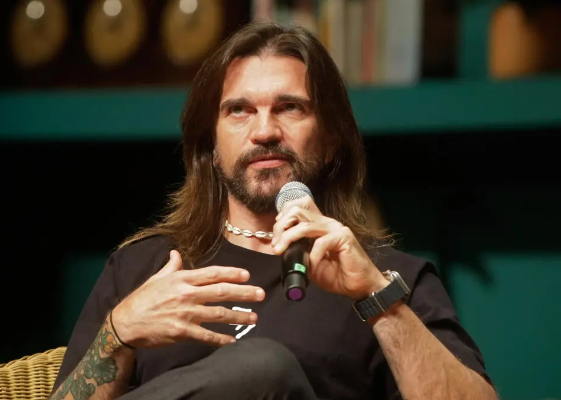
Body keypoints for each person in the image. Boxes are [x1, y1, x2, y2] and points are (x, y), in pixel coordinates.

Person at [51, 22, 498, 400]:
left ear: (330, 140)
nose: (265, 131)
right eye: (239, 111)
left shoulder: (388, 280)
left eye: (289, 108)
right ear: (211, 144)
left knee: (263, 367)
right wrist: (118, 332)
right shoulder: (142, 267)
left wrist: (379, 302)